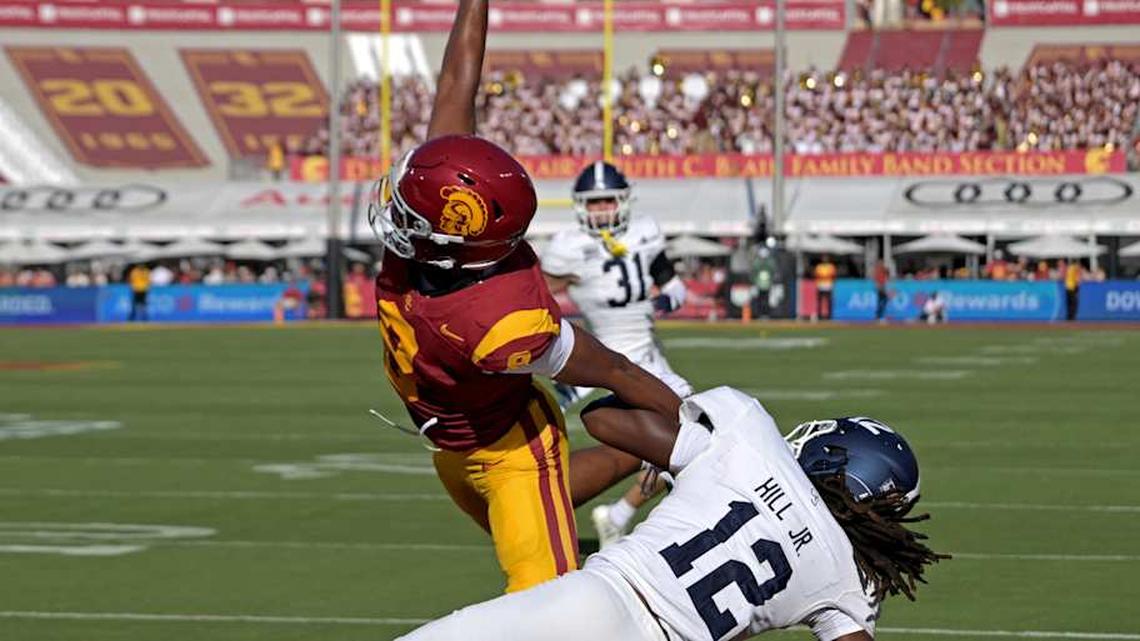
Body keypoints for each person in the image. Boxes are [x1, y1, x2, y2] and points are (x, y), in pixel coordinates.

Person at [368, 0, 682, 594]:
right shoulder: (443, 238)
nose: (396, 213)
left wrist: (690, 424)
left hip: (511, 450)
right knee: (545, 511)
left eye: (411, 213)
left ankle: (647, 451)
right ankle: (631, 457)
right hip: (450, 441)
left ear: (454, 241)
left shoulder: (506, 318)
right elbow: (457, 83)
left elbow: (612, 366)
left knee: (546, 608)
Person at [397, 387, 948, 641]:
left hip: (598, 604)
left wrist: (679, 442)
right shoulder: (851, 579)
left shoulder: (750, 439)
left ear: (828, 454)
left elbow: (603, 421)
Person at [541, 160, 691, 548]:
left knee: (681, 441)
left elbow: (667, 278)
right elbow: (539, 295)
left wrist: (673, 293)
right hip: (611, 362)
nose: (602, 209)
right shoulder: (570, 246)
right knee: (685, 437)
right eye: (594, 203)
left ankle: (619, 516)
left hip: (651, 356)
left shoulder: (645, 232)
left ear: (624, 200)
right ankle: (618, 518)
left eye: (608, 200)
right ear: (580, 206)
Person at [813, 255, 837, 321]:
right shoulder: (819, 267)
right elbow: (816, 275)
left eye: (826, 258)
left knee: (829, 301)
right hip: (820, 285)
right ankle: (819, 315)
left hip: (829, 286)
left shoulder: (831, 267)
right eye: (823, 258)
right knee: (820, 301)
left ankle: (830, 316)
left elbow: (833, 276)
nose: (824, 259)